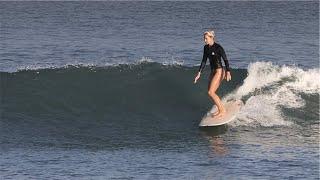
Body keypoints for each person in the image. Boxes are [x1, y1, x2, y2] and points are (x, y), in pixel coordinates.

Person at [194, 30, 232, 118]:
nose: (204, 40)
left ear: (211, 38)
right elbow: (204, 61)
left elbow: (225, 59)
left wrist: (228, 71)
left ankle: (222, 110)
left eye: (206, 38)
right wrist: (199, 73)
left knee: (211, 92)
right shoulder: (206, 48)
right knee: (210, 92)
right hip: (213, 71)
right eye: (204, 38)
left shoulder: (218, 47)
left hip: (219, 71)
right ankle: (220, 108)